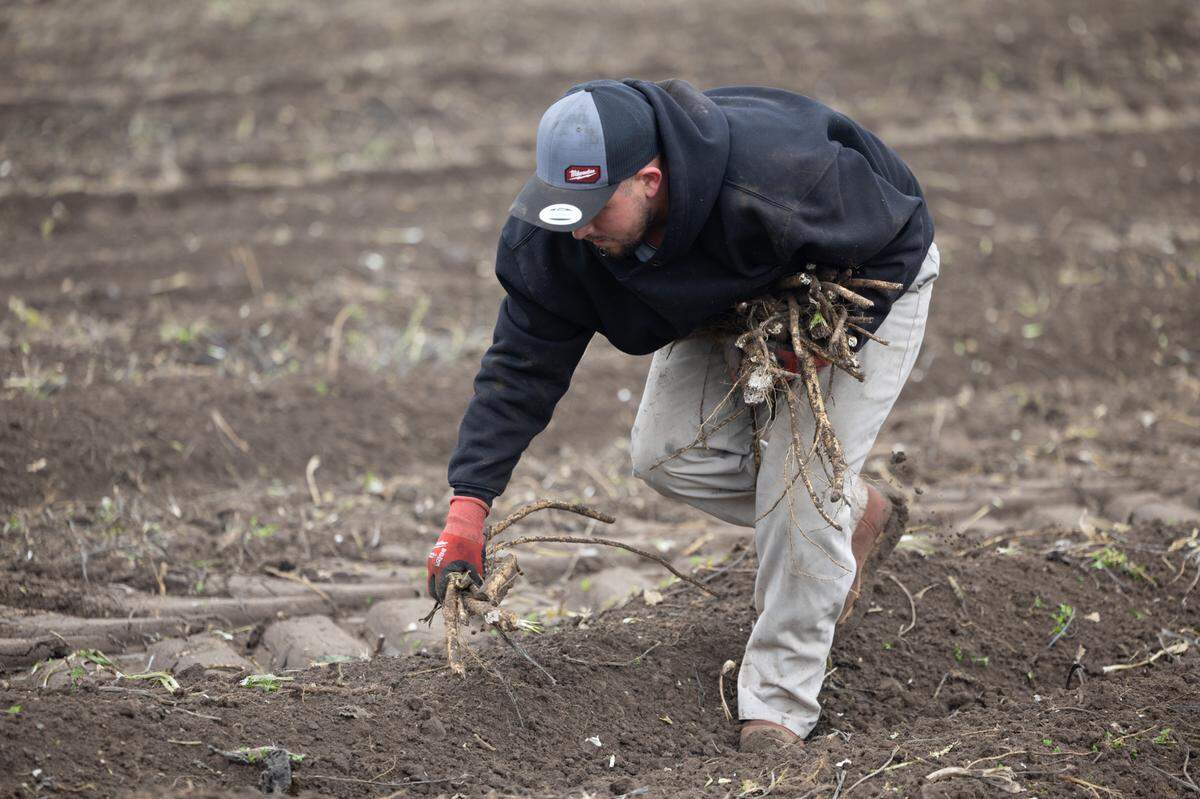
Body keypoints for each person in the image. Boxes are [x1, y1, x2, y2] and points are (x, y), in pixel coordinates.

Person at [425, 78, 939, 752]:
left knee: (802, 485)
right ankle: (859, 511)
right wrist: (469, 503)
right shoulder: (558, 236)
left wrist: (828, 337)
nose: (576, 226)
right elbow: (521, 367)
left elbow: (900, 228)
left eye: (592, 207)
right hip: (724, 298)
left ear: (649, 179)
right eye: (563, 207)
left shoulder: (778, 179)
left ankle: (780, 699)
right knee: (664, 452)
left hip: (865, 276)